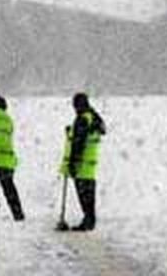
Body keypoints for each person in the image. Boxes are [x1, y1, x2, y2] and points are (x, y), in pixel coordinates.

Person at [60, 92, 106, 231]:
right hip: (90, 164)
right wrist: (72, 132)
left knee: (84, 196)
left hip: (82, 164)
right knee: (89, 196)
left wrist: (73, 164)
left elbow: (78, 144)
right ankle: (89, 220)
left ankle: (88, 221)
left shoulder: (82, 119)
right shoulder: (94, 118)